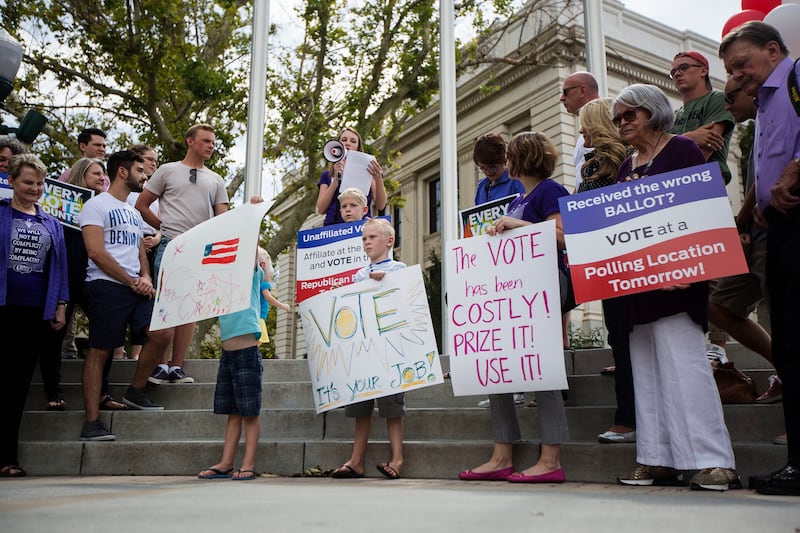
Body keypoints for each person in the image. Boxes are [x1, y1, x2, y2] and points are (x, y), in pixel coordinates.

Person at [609, 84, 738, 491]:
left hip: (678, 283)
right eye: (618, 118)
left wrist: (695, 269)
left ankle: (714, 461)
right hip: (637, 288)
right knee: (646, 374)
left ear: (653, 112)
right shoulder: (624, 165)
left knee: (686, 369)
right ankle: (656, 458)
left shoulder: (682, 150)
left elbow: (705, 208)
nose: (623, 123)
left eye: (631, 114)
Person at [458, 131, 573, 484]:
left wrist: (518, 224)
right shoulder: (517, 199)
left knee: (543, 366)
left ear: (520, 160)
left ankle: (550, 458)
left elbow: (564, 235)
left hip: (545, 285)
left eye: (509, 157)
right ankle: (501, 454)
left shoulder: (551, 191)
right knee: (500, 364)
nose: (504, 163)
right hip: (512, 292)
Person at [720, 20, 800, 496]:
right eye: (731, 70)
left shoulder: (795, 78)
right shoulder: (765, 105)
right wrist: (756, 211)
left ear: (773, 50)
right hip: (781, 229)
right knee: (788, 342)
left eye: (742, 65)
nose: (738, 76)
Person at [79, 150, 172, 441]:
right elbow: (96, 252)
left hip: (134, 285)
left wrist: (144, 276)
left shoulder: (133, 212)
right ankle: (91, 423)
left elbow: (139, 250)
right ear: (122, 171)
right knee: (100, 350)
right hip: (105, 285)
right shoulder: (96, 206)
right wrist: (130, 280)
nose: (145, 176)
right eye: (140, 170)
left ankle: (136, 390)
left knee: (162, 333)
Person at [136, 124, 229, 385]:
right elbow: (141, 204)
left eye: (213, 142)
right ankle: (161, 365)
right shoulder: (167, 170)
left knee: (190, 308)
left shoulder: (216, 179)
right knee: (167, 303)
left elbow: (221, 220)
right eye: (206, 141)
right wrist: (163, 229)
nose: (211, 145)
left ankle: (177, 366)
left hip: (199, 248)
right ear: (190, 141)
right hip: (170, 245)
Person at [707, 78, 777, 403]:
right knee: (720, 305)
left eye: (731, 96)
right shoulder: (760, 120)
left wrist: (741, 218)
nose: (728, 105)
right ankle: (786, 369)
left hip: (770, 227)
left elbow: (769, 174)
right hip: (752, 229)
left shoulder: (777, 111)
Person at [0, 154, 68, 477]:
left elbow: (61, 269)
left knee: (18, 386)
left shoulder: (52, 223)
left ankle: (7, 458)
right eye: (28, 182)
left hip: (34, 313)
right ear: (12, 181)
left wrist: (60, 304)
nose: (35, 188)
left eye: (40, 183)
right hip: (2, 306)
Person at [575, 98, 636, 444]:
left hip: (625, 261)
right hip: (607, 263)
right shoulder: (592, 163)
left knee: (625, 339)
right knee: (619, 338)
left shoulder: (616, 162)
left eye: (585, 123)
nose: (580, 129)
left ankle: (628, 418)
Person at [43, 158, 125, 411]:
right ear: (81, 175)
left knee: (108, 333)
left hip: (94, 281)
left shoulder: (106, 208)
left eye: (104, 174)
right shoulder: (59, 210)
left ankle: (103, 392)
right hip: (66, 280)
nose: (103, 177)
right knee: (54, 337)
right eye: (96, 173)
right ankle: (53, 391)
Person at [330, 218, 407, 479]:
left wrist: (386, 281)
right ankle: (356, 460)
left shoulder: (400, 269)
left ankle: (397, 459)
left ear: (389, 241)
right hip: (363, 352)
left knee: (392, 409)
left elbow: (406, 302)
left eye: (372, 237)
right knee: (361, 408)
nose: (367, 242)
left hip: (389, 350)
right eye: (364, 238)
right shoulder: (359, 275)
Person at [198, 198, 267, 481]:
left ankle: (248, 462)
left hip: (247, 352)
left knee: (249, 412)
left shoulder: (251, 273)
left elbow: (249, 247)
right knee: (232, 411)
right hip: (227, 353)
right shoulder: (222, 277)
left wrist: (252, 216)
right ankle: (226, 462)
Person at [470, 134, 526, 409]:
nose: (489, 171)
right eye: (483, 167)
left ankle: (518, 386)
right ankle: (500, 388)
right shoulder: (482, 187)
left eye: (492, 165)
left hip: (516, 260)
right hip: (491, 259)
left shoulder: (516, 181)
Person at [669, 51, 735, 185]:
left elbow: (703, 151)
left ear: (703, 71)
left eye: (684, 67)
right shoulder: (673, 116)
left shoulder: (717, 99)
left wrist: (670, 146)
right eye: (673, 71)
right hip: (673, 186)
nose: (677, 73)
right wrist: (689, 138)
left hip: (707, 182)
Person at [126, 143, 162, 361]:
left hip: (153, 246)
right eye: (150, 159)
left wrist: (157, 237)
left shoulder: (157, 190)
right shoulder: (128, 189)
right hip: (131, 245)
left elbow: (162, 220)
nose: (153, 164)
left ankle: (140, 351)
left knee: (150, 297)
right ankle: (119, 349)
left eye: (156, 161)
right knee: (131, 294)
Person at [316, 127, 387, 226]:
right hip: (332, 229)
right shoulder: (327, 175)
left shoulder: (368, 171)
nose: (348, 143)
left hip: (360, 227)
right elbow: (321, 209)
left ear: (358, 147)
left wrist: (378, 178)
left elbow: (381, 205)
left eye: (353, 141)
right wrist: (336, 180)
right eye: (344, 140)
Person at [560, 71, 600, 190]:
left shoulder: (608, 122)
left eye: (566, 92)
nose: (561, 98)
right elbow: (581, 179)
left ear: (582, 90)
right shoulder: (582, 137)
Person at [257, 247, 290, 346]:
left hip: (254, 315)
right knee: (258, 340)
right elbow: (268, 298)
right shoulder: (264, 283)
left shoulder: (255, 284)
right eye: (270, 277)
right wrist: (283, 306)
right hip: (260, 317)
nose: (269, 280)